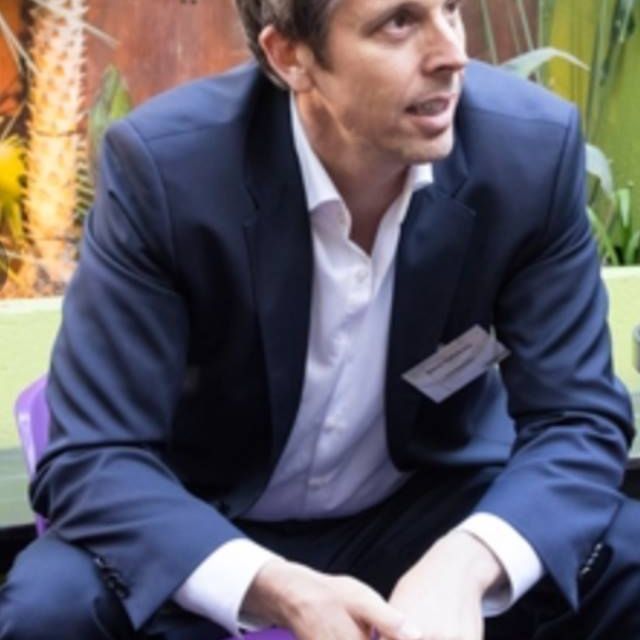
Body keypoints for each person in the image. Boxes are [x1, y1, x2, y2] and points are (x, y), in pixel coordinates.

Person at [1, 0, 638, 638]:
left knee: (627, 557)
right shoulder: (169, 170)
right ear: (290, 57)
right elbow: (94, 454)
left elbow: (576, 417)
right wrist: (274, 587)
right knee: (50, 608)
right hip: (210, 520)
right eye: (398, 23)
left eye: (450, 8)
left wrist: (466, 566)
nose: (452, 54)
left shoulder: (526, 153)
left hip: (428, 510)